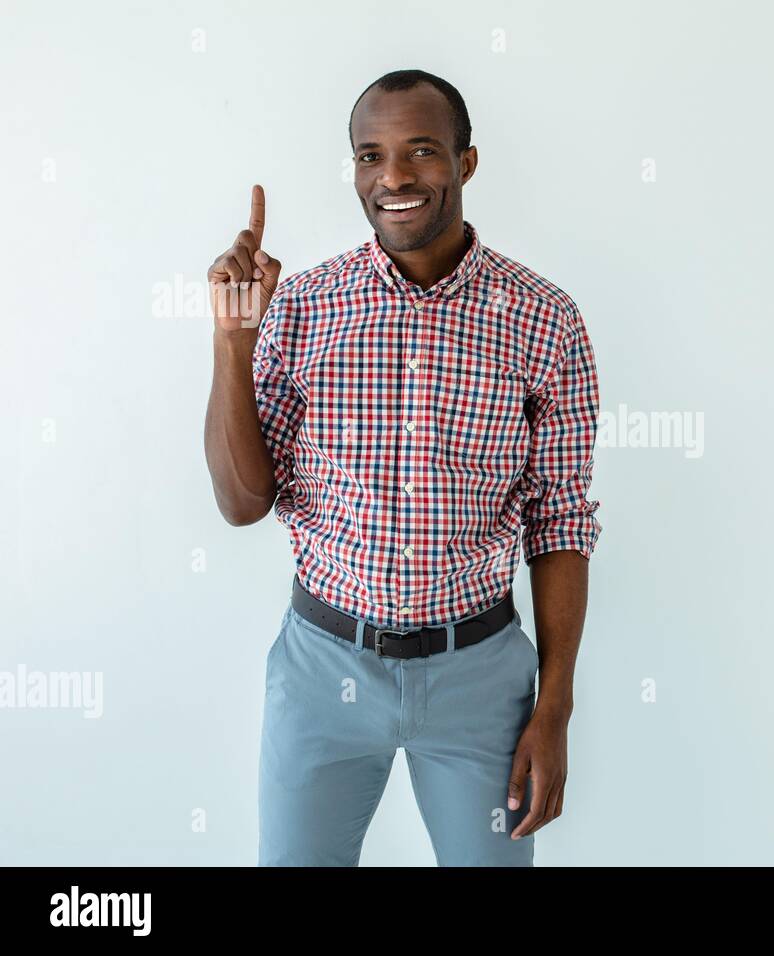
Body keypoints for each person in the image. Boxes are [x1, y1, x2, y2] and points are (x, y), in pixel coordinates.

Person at [202, 69, 602, 866]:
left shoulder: (545, 319)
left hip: (479, 680)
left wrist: (554, 706)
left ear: (466, 162)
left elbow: (559, 519)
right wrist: (233, 342)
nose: (393, 177)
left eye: (421, 150)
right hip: (322, 672)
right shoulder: (304, 306)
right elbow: (243, 504)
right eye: (370, 155)